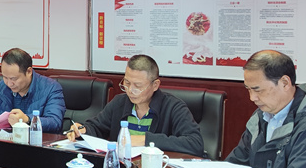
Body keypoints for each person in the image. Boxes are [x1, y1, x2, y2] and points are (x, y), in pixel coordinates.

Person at [66, 54, 204, 155]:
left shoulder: (173, 107)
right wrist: (83, 130)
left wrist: (145, 139)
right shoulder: (120, 102)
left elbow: (195, 143)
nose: (130, 90)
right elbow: (97, 127)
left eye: (138, 85)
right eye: (127, 83)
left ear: (155, 85)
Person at [0, 48, 66, 132]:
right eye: (5, 77)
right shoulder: (3, 86)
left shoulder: (51, 88)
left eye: (13, 79)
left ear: (29, 71)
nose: (9, 83)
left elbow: (55, 122)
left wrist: (27, 120)